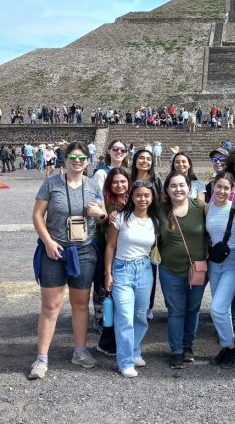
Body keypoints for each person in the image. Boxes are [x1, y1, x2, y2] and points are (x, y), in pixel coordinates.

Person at [29, 142, 108, 380]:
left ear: (87, 161)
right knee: (51, 306)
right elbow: (37, 215)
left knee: (80, 304)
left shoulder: (93, 184)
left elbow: (102, 217)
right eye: (73, 156)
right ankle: (41, 358)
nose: (77, 161)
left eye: (82, 157)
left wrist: (101, 214)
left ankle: (80, 351)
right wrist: (48, 242)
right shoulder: (51, 183)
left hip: (84, 250)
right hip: (55, 251)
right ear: (65, 159)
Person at [104, 178, 159, 377]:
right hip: (122, 269)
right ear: (132, 197)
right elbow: (110, 246)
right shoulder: (120, 217)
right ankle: (125, 361)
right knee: (125, 317)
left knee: (140, 315)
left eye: (146, 195)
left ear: (152, 198)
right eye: (138, 195)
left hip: (144, 269)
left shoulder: (155, 221)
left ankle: (135, 350)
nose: (142, 199)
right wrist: (107, 273)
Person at [157, 171, 208, 369]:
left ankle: (188, 346)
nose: (178, 189)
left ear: (189, 187)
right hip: (170, 269)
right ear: (167, 190)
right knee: (176, 311)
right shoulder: (160, 209)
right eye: (173, 186)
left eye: (182, 185)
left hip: (198, 269)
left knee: (193, 309)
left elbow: (223, 215)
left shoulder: (200, 207)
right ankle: (176, 350)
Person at [206, 171, 235, 368]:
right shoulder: (208, 208)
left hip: (233, 261)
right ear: (213, 186)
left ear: (232, 190)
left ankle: (231, 346)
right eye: (219, 186)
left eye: (226, 188)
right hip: (214, 263)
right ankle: (227, 346)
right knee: (223, 310)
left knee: (218, 307)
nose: (222, 191)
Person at [95, 167, 131, 355]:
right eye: (115, 182)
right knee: (112, 297)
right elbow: (99, 220)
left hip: (128, 254)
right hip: (110, 254)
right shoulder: (106, 202)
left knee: (122, 300)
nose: (119, 185)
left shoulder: (131, 200)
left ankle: (118, 338)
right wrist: (105, 217)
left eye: (123, 181)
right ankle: (108, 340)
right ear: (109, 184)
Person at [131, 148, 163, 320]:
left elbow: (162, 203)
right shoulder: (128, 180)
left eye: (148, 159)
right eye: (141, 158)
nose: (145, 161)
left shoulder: (156, 180)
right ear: (135, 160)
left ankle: (148, 305)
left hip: (150, 225)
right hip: (129, 224)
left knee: (150, 266)